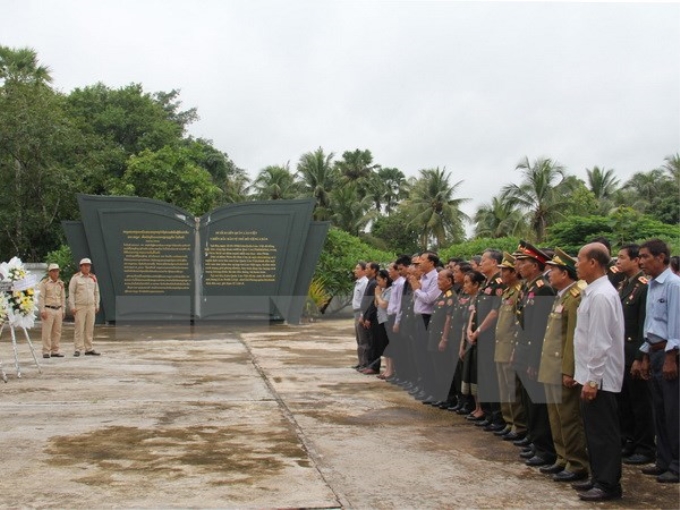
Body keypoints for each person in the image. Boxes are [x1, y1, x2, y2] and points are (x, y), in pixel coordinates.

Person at [572, 242, 625, 501]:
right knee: (593, 431)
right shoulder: (593, 292)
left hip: (600, 378)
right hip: (591, 376)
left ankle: (608, 484)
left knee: (604, 433)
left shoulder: (603, 295)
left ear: (593, 262)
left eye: (579, 259)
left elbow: (600, 342)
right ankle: (598, 477)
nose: (576, 264)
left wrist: (592, 379)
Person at [538, 248, 589, 483]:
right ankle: (562, 458)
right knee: (555, 416)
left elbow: (572, 339)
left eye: (553, 270)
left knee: (568, 417)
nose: (549, 274)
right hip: (550, 364)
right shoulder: (562, 295)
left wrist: (569, 369)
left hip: (562, 367)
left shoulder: (576, 297)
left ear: (565, 274)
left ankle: (576, 462)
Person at [633, 239, 680, 484]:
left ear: (661, 257)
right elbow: (650, 324)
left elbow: (675, 324)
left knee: (674, 411)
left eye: (645, 256)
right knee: (659, 409)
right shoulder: (652, 284)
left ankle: (676, 463)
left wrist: (671, 357)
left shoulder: (674, 285)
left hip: (669, 354)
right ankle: (663, 460)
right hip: (654, 351)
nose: (641, 261)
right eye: (640, 257)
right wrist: (644, 356)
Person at [512, 241, 556, 469]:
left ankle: (544, 448)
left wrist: (533, 359)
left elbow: (539, 330)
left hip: (533, 353)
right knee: (528, 402)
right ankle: (534, 440)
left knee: (537, 403)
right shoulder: (529, 287)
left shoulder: (543, 288)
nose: (518, 265)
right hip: (523, 350)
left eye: (523, 262)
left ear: (536, 265)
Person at [615, 244, 655, 465]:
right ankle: (629, 440)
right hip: (621, 353)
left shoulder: (643, 286)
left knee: (641, 404)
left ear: (634, 261)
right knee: (625, 402)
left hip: (634, 354)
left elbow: (642, 325)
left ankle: (645, 446)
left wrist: (641, 357)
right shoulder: (624, 286)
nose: (618, 262)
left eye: (622, 258)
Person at [494, 253, 527, 441]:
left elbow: (518, 322)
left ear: (514, 273)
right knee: (503, 387)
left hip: (510, 345)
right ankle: (509, 422)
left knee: (512, 387)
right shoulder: (507, 292)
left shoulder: (519, 291)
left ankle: (518, 425)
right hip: (501, 345)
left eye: (504, 270)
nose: (502, 274)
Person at [68, 258, 101, 357]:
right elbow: (71, 293)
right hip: (80, 306)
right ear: (81, 267)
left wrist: (97, 304)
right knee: (79, 327)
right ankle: (78, 348)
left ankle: (89, 348)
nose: (87, 267)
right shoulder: (76, 278)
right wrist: (72, 306)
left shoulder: (93, 278)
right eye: (85, 265)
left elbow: (96, 292)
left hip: (91, 306)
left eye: (89, 265)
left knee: (90, 328)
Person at [38, 263, 66, 358]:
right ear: (49, 272)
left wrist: (63, 309)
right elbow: (41, 297)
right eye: (53, 271)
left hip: (58, 309)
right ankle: (46, 351)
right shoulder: (44, 283)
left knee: (57, 331)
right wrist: (42, 310)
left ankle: (55, 350)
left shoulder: (60, 283)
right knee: (47, 331)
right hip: (48, 309)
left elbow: (62, 297)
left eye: (57, 271)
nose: (55, 273)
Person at [374, 268, 393, 378]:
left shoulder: (390, 290)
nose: (378, 283)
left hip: (387, 319)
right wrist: (377, 294)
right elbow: (377, 304)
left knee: (388, 345)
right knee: (384, 346)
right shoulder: (383, 290)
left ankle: (390, 370)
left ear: (385, 279)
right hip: (381, 319)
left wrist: (378, 295)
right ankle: (387, 369)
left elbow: (384, 305)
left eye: (379, 280)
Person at [351, 262, 369, 370]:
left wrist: (363, 314)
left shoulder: (365, 283)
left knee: (363, 338)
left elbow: (365, 301)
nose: (355, 270)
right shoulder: (358, 282)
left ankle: (365, 363)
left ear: (363, 270)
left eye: (357, 268)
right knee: (358, 338)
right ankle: (361, 361)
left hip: (361, 312)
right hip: (356, 312)